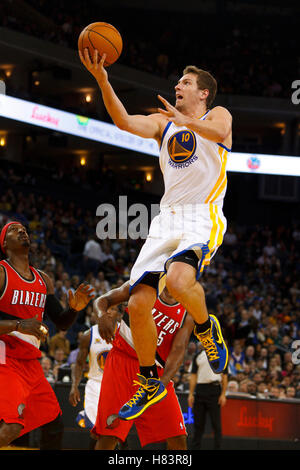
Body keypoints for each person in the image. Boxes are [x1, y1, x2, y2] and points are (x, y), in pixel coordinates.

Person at [80, 49, 232, 420]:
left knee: (180, 280)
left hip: (202, 214)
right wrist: (102, 79)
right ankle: (148, 378)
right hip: (166, 219)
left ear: (203, 94)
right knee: (136, 304)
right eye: (178, 81)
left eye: (186, 83)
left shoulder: (218, 115)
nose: (178, 86)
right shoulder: (164, 124)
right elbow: (123, 121)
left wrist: (185, 120)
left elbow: (217, 131)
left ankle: (205, 327)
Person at [0, 221, 95, 449]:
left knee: (54, 423)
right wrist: (19, 324)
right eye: (14, 229)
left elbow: (61, 323)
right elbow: (20, 325)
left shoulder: (44, 280)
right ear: (4, 244)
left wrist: (74, 309)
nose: (22, 231)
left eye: (24, 228)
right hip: (5, 358)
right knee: (13, 426)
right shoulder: (2, 273)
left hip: (30, 362)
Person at [91, 281, 195, 450]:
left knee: (178, 437)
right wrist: (101, 315)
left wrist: (162, 383)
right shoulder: (144, 281)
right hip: (123, 362)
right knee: (110, 435)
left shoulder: (188, 308)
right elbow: (102, 300)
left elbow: (179, 349)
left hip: (155, 375)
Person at [68, 307, 120, 449]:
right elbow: (78, 363)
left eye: (112, 309)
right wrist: (74, 386)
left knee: (115, 431)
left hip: (118, 387)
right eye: (105, 309)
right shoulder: (89, 334)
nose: (108, 311)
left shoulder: (126, 332)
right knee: (97, 431)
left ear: (119, 313)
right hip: (96, 385)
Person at [188, 346, 228, 450]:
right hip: (200, 389)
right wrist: (191, 393)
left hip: (215, 390)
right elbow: (193, 376)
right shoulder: (198, 355)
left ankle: (218, 447)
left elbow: (224, 376)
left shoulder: (221, 355)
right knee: (198, 424)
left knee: (216, 424)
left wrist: (223, 394)